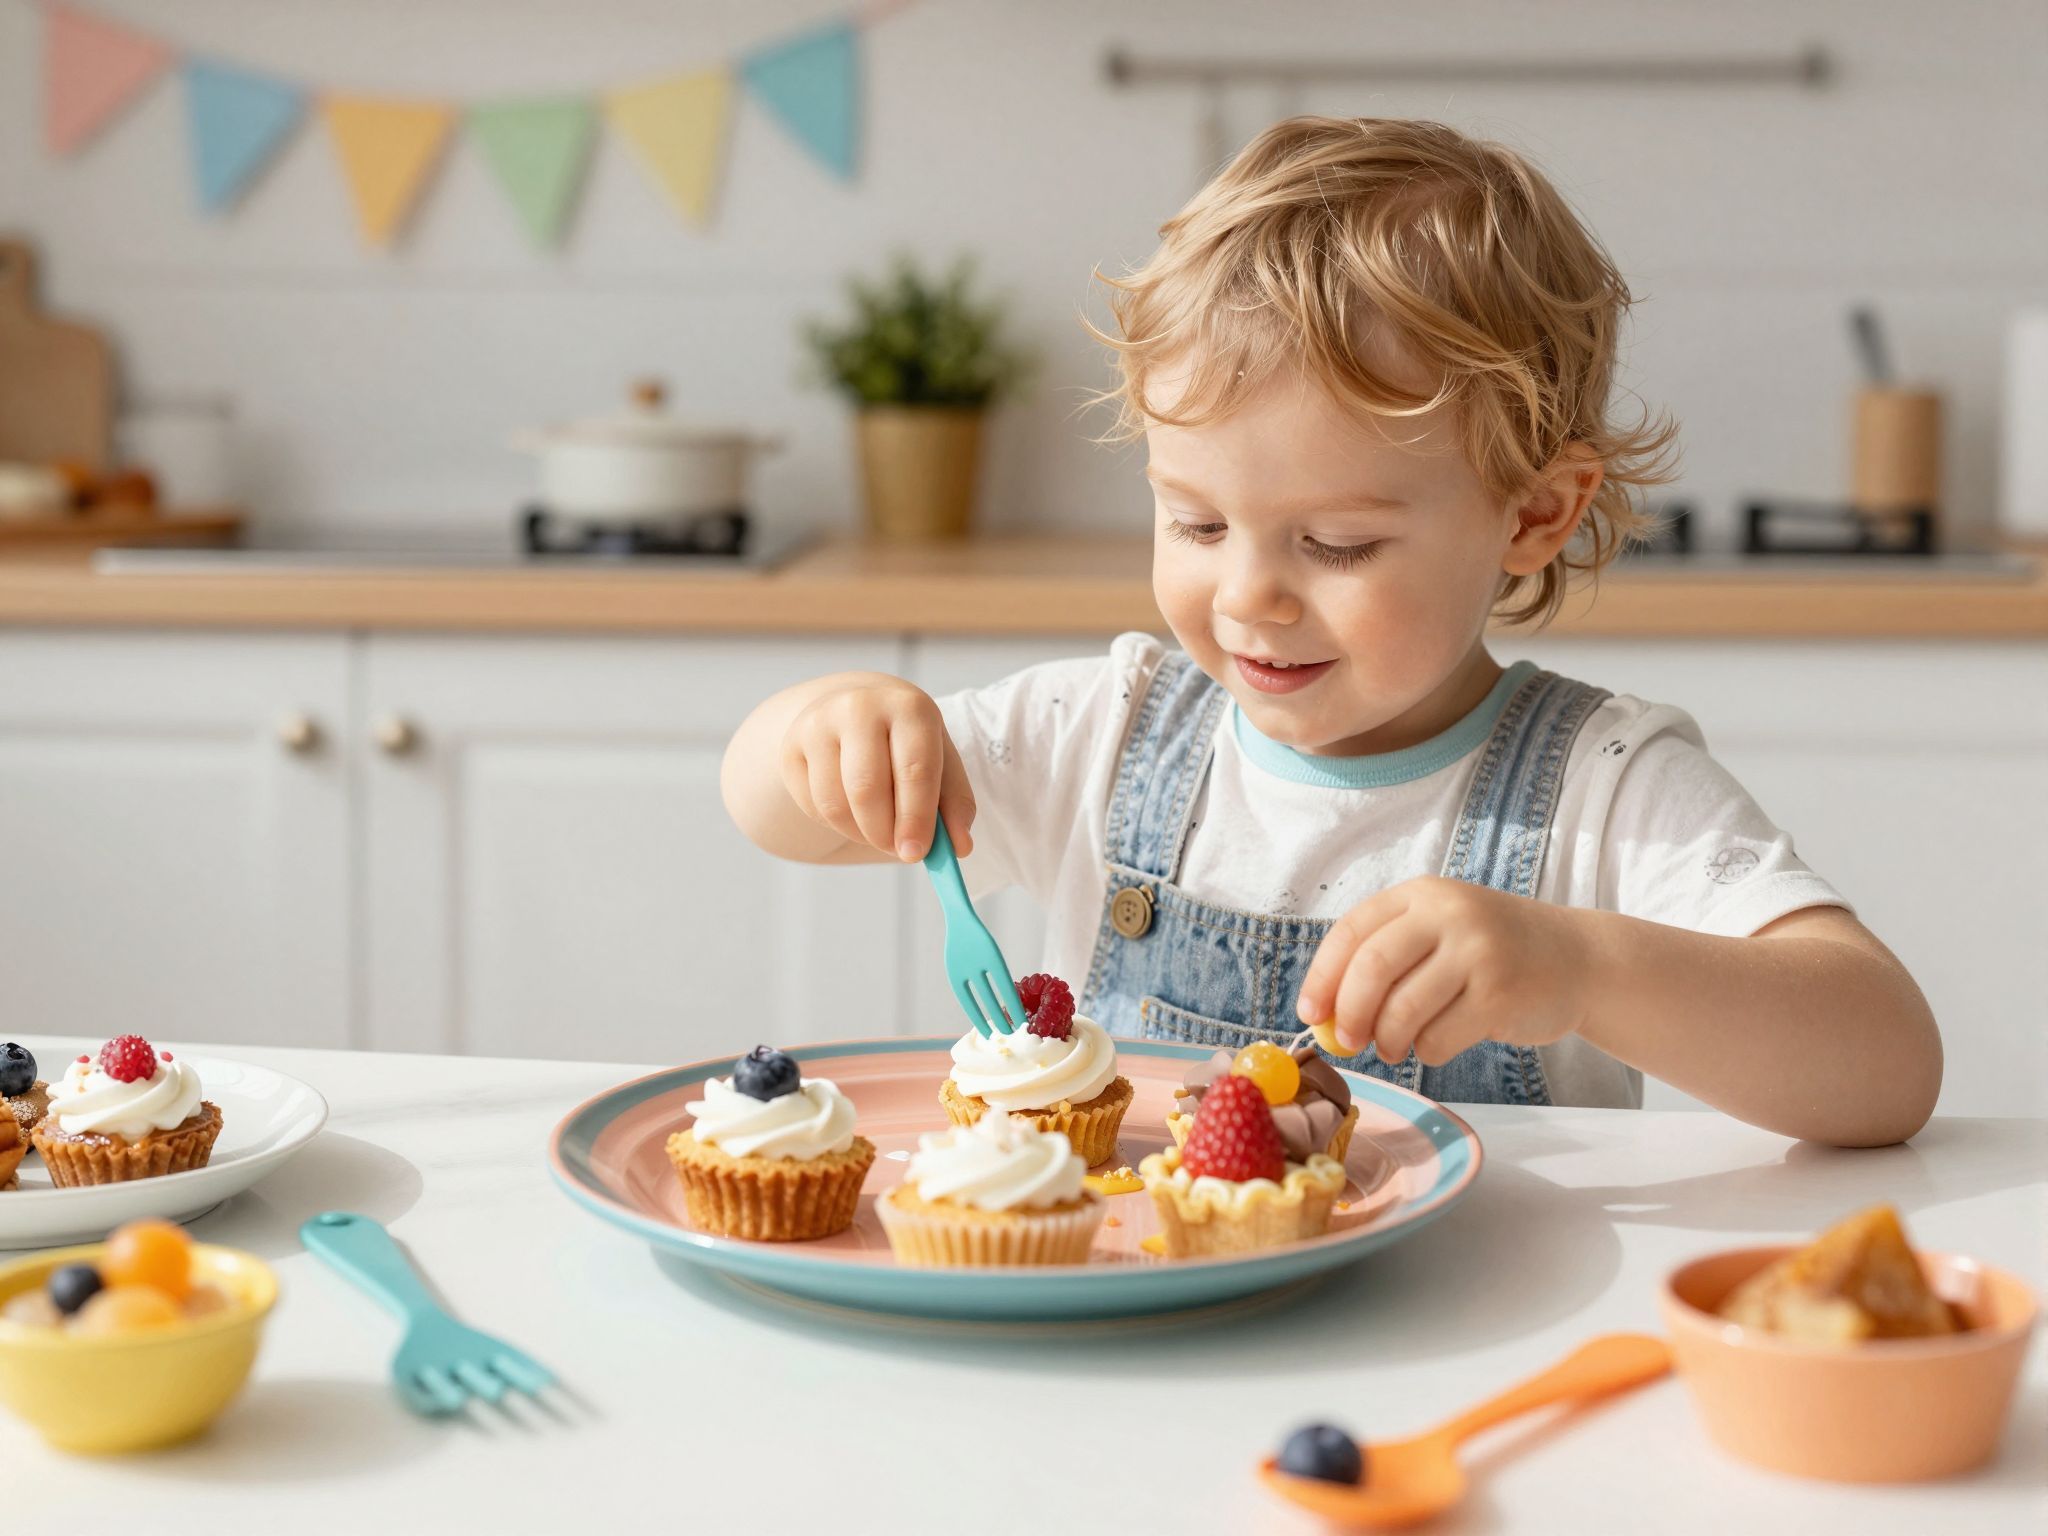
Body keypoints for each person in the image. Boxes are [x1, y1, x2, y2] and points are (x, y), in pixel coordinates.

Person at [723, 117, 1940, 1147]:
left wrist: (1581, 967)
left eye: (1337, 544)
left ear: (1531, 513)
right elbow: (775, 815)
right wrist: (822, 729)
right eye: (1196, 523)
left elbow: (1885, 1066)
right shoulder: (1103, 729)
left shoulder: (1601, 787)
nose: (1247, 595)